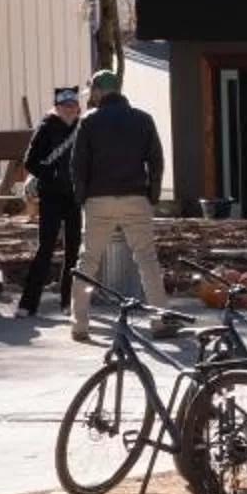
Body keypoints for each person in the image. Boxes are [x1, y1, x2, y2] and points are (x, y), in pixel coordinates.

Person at [66, 69, 169, 341]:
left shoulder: (88, 122)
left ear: (99, 91)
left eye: (93, 93)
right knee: (146, 258)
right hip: (135, 196)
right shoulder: (143, 120)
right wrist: (152, 195)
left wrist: (82, 198)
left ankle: (80, 323)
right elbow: (156, 161)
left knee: (88, 260)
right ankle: (160, 320)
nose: (91, 98)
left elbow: (78, 165)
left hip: (98, 200)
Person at [15, 86, 84, 315]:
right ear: (57, 108)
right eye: (65, 106)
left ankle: (68, 302)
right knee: (45, 248)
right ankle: (28, 304)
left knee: (73, 250)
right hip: (51, 196)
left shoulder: (82, 128)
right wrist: (50, 175)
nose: (69, 110)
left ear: (78, 108)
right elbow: (30, 161)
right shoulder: (46, 127)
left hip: (74, 196)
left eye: (73, 106)